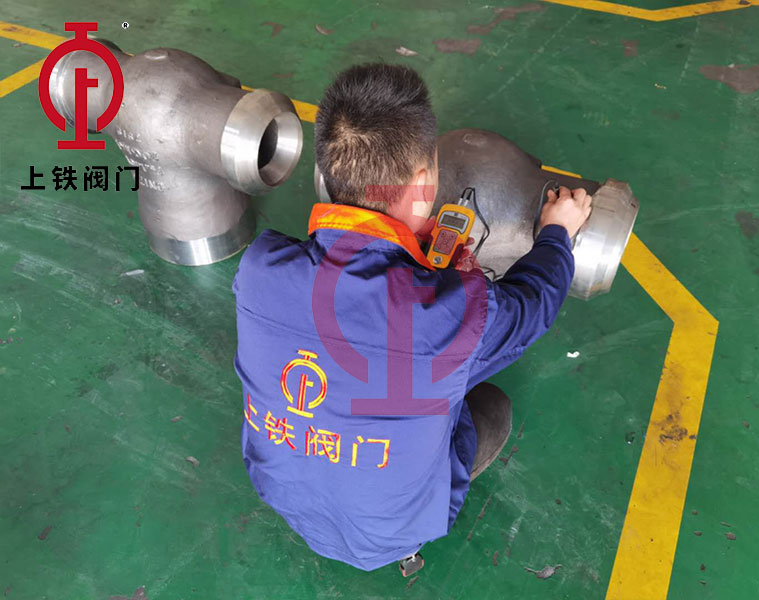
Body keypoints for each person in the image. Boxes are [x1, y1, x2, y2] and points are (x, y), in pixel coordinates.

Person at [232, 63, 591, 573]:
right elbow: (533, 305)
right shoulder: (453, 313)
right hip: (390, 532)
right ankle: (408, 545)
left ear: (327, 173)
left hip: (283, 498)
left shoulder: (258, 268)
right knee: (491, 406)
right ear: (423, 183)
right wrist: (557, 233)